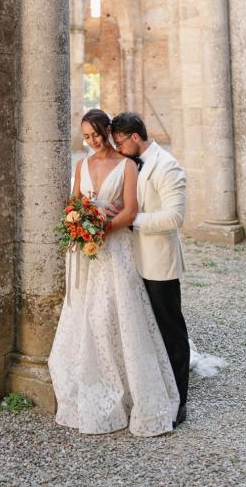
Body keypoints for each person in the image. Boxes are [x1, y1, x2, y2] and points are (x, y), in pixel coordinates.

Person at [48, 108, 180, 437]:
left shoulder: (126, 166)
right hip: (87, 254)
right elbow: (74, 203)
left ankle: (129, 387)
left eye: (96, 134)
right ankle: (94, 382)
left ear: (108, 131)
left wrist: (102, 231)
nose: (91, 141)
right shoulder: (82, 165)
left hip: (114, 248)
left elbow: (131, 210)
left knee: (116, 314)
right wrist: (80, 225)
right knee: (89, 316)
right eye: (86, 137)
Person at [109, 112, 190, 427]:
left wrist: (133, 219)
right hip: (134, 260)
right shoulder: (130, 163)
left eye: (120, 142)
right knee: (148, 330)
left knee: (171, 332)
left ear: (134, 137)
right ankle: (156, 388)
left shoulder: (168, 166)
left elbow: (174, 218)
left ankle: (180, 399)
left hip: (159, 264)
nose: (117, 147)